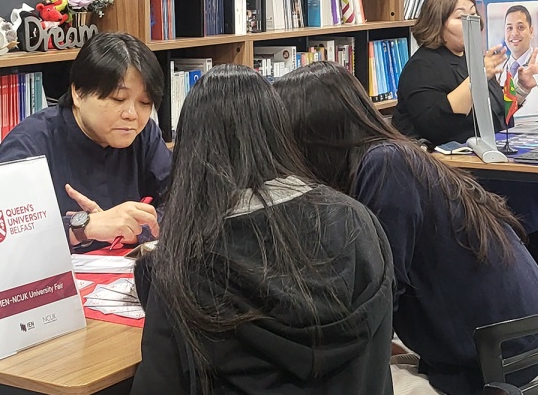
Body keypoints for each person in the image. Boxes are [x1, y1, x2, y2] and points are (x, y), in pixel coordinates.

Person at [274, 61, 538, 395]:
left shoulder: (385, 165)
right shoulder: (392, 156)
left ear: (313, 134)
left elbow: (380, 287)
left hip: (504, 361)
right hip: (517, 342)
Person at [131, 65, 394, 395]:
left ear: (191, 151)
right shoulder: (360, 221)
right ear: (279, 130)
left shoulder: (187, 261)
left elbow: (158, 383)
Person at [392, 0, 538, 263]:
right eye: (461, 16)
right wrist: (477, 75)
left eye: (474, 14)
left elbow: (496, 114)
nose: (472, 22)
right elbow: (437, 123)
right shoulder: (421, 67)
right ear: (438, 22)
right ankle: (523, 266)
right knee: (526, 190)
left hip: (487, 157)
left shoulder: (474, 60)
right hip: (451, 172)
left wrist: (522, 88)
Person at [0, 32, 170, 250]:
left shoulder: (143, 134)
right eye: (118, 99)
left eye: (145, 102)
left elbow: (181, 202)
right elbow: (0, 237)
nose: (132, 114)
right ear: (78, 92)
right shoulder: (30, 143)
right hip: (54, 281)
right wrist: (82, 227)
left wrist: (137, 231)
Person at [499, 5, 538, 117]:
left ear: (531, 31)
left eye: (520, 27)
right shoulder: (498, 68)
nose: (514, 33)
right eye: (509, 28)